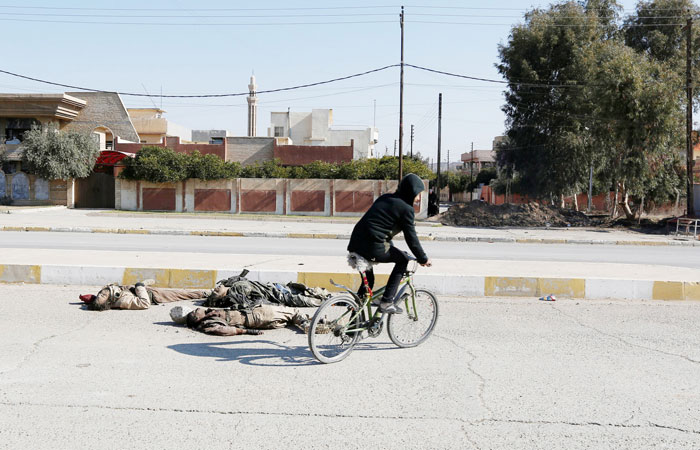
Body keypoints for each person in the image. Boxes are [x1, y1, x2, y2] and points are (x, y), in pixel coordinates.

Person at [347, 173, 431, 314]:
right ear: (411, 192)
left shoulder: (386, 197)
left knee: (369, 283)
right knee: (403, 260)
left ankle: (352, 326)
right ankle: (387, 301)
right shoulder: (406, 209)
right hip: (372, 246)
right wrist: (422, 258)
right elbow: (411, 238)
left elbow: (380, 226)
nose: (418, 197)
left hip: (356, 243)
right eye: (418, 193)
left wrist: (391, 247)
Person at [171, 305, 311, 336]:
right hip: (256, 317)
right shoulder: (209, 323)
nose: (199, 309)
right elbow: (223, 330)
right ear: (197, 318)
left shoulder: (209, 316)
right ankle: (308, 325)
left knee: (288, 316)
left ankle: (313, 322)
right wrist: (246, 331)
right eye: (197, 311)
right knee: (293, 312)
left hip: (254, 313)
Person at [80, 281, 210, 311]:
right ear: (108, 302)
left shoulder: (110, 292)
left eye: (101, 294)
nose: (102, 293)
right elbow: (144, 303)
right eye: (102, 296)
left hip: (145, 289)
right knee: (184, 294)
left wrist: (91, 300)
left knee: (182, 292)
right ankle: (207, 293)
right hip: (154, 296)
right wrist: (140, 287)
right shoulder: (123, 301)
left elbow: (90, 299)